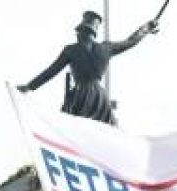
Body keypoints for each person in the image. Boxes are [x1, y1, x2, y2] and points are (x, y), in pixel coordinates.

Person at [18, 11, 158, 125]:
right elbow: (131, 41)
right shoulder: (106, 48)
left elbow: (51, 71)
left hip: (81, 95)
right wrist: (146, 28)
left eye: (78, 32)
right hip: (101, 98)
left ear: (81, 32)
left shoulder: (71, 50)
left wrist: (29, 86)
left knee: (69, 129)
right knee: (108, 130)